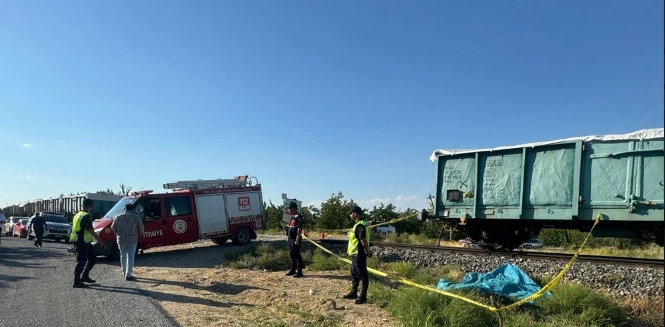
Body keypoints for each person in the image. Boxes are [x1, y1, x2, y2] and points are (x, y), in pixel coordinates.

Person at [69, 199, 106, 288]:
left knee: (92, 258)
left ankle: (85, 276)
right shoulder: (86, 216)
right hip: (82, 241)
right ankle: (76, 281)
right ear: (89, 206)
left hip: (83, 241)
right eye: (92, 205)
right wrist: (99, 239)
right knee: (81, 261)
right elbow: (90, 229)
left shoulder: (78, 214)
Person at [343, 206, 372, 304]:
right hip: (354, 254)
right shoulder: (358, 225)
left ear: (355, 213)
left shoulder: (360, 225)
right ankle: (353, 292)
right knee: (354, 273)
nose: (350, 215)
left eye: (351, 213)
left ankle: (363, 296)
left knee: (362, 275)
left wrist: (368, 251)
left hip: (359, 253)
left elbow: (362, 240)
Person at [111, 203, 144, 281]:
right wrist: (139, 233)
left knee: (123, 256)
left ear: (124, 209)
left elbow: (112, 227)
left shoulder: (118, 217)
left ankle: (124, 272)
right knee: (131, 257)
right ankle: (128, 274)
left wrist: (117, 232)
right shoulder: (136, 217)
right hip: (132, 239)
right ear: (132, 209)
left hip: (121, 239)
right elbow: (141, 227)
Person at [285, 202, 304, 278]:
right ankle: (292, 270)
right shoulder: (292, 217)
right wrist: (288, 237)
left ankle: (299, 272)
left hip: (295, 239)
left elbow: (299, 229)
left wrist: (297, 239)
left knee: (297, 255)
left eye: (289, 209)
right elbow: (290, 228)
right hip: (290, 239)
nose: (288, 210)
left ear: (293, 209)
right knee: (291, 255)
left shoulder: (298, 217)